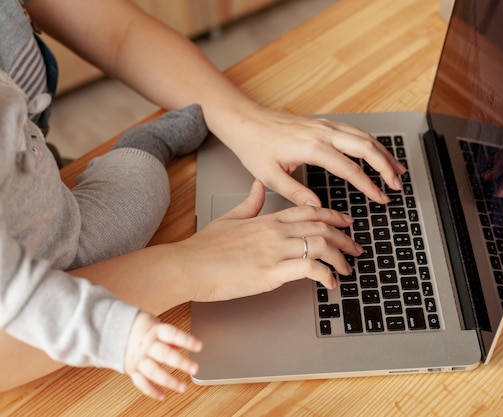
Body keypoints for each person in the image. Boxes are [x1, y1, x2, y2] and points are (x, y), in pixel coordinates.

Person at [0, 0, 405, 400]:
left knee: (137, 197)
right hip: (36, 276)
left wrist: (244, 121)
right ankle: (143, 148)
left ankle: (147, 143)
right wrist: (174, 281)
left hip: (41, 191)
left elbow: (117, 34)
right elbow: (18, 302)